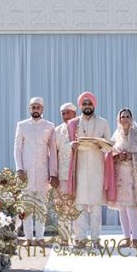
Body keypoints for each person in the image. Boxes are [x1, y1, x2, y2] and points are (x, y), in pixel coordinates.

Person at [66, 91, 113, 244]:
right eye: (84, 104)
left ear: (94, 105)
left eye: (90, 103)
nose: (87, 106)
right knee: (79, 206)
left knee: (95, 206)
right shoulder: (73, 123)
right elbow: (66, 145)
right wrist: (72, 145)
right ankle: (79, 238)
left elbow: (109, 147)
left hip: (97, 169)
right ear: (80, 106)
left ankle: (95, 238)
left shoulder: (103, 122)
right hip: (79, 169)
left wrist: (101, 145)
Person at [14, 97, 58, 243]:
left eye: (38, 107)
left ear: (42, 109)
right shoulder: (22, 125)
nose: (35, 110)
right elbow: (17, 148)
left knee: (41, 206)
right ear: (29, 109)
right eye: (33, 107)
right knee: (27, 206)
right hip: (25, 172)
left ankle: (39, 237)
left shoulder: (50, 126)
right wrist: (19, 168)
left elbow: (52, 151)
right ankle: (28, 237)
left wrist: (53, 173)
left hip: (42, 172)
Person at [108, 108, 137, 245]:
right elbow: (109, 153)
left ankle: (135, 239)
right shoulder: (116, 136)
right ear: (119, 119)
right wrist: (117, 156)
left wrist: (131, 156)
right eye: (122, 117)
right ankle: (126, 238)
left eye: (127, 116)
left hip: (134, 176)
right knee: (121, 208)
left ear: (131, 118)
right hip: (120, 176)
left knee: (132, 207)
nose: (125, 119)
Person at [53, 102, 79, 242]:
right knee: (62, 205)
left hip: (79, 174)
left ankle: (78, 237)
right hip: (62, 174)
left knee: (77, 206)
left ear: (74, 114)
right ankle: (64, 237)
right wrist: (53, 174)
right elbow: (52, 154)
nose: (65, 115)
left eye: (68, 112)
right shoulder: (57, 131)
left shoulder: (82, 128)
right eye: (63, 113)